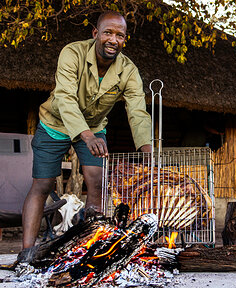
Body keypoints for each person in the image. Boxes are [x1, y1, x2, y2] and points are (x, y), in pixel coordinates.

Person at [18, 11, 151, 261]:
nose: (113, 39)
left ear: (125, 40)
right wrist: (87, 136)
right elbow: (65, 98)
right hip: (54, 123)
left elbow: (137, 109)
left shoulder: (129, 70)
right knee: (42, 185)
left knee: (97, 183)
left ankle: (90, 246)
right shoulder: (72, 53)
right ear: (95, 34)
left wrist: (147, 149)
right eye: (108, 33)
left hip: (94, 125)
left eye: (119, 35)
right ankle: (26, 253)